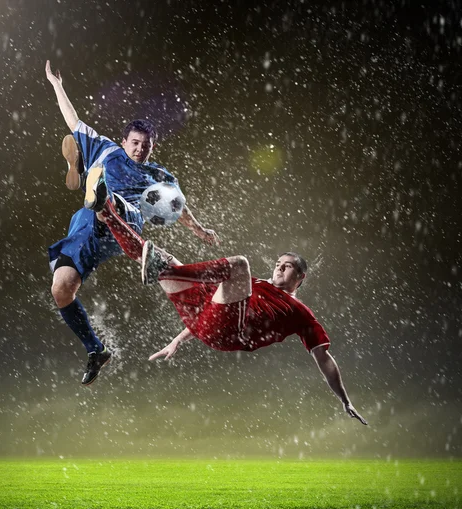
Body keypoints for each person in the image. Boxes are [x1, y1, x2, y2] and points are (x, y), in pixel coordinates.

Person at [87, 175, 367, 424]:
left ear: (301, 277)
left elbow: (324, 357)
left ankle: (165, 269)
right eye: (279, 262)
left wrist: (344, 399)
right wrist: (177, 340)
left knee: (239, 264)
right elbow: (216, 303)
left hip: (230, 331)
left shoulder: (300, 312)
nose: (279, 267)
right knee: (163, 256)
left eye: (288, 265)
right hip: (204, 318)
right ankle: (106, 211)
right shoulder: (253, 285)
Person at [45, 60, 219, 386]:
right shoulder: (107, 149)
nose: (139, 149)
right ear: (124, 141)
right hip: (87, 225)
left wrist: (199, 229)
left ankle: (102, 198)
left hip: (126, 221)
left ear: (152, 148)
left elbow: (178, 207)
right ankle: (96, 350)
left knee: (114, 205)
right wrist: (57, 84)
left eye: (146, 145)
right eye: (135, 143)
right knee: (61, 288)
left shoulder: (156, 175)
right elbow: (74, 120)